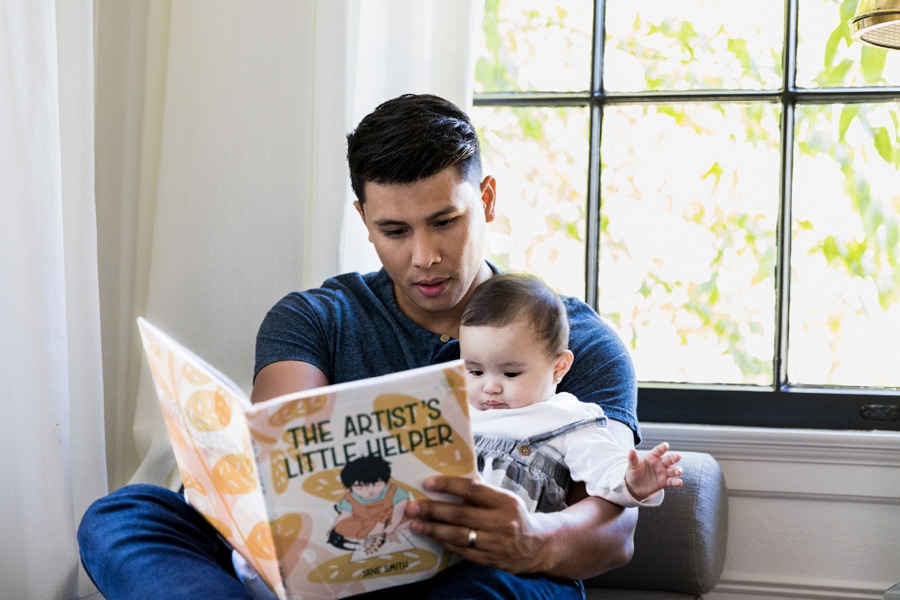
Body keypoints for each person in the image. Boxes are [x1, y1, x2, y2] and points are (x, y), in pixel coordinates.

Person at [77, 93, 641, 600]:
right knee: (125, 515)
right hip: (333, 559)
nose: (424, 256)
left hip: (481, 569)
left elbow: (615, 530)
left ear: (486, 199)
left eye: (445, 221)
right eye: (395, 231)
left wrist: (530, 537)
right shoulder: (316, 318)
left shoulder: (573, 341)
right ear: (364, 221)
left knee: (497, 586)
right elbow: (278, 467)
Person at [459, 272, 682, 515]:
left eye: (510, 374)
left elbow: (604, 466)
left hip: (513, 534)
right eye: (475, 371)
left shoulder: (566, 419)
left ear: (559, 368)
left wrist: (633, 480)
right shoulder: (455, 412)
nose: (490, 387)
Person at [328, 456, 411, 552]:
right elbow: (345, 515)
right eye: (360, 488)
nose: (370, 491)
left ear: (386, 481)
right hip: (367, 522)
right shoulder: (350, 499)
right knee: (341, 528)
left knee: (409, 520)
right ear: (349, 487)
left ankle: (381, 533)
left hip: (391, 519)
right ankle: (377, 533)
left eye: (377, 485)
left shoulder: (394, 491)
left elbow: (399, 510)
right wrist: (333, 527)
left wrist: (392, 525)